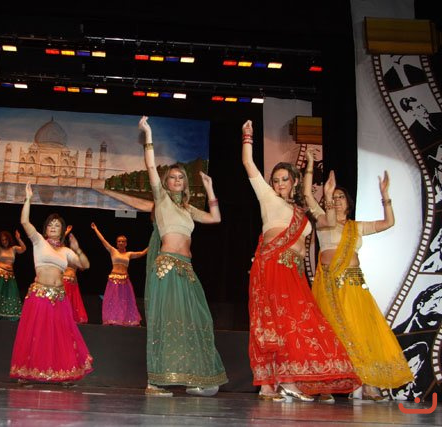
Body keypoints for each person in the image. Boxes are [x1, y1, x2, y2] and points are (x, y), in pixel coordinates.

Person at [241, 120, 361, 402]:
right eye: (276, 180)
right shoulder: (268, 198)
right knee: (277, 324)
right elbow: (248, 164)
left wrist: (327, 194)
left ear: (294, 182)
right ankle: (272, 384)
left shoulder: (302, 214)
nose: (279, 184)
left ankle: (289, 379)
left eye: (284, 179)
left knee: (299, 324)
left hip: (294, 273)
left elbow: (326, 223)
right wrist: (247, 136)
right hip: (273, 266)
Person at [304, 152, 413, 400]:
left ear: (349, 203)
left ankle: (369, 383)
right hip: (329, 285)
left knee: (360, 332)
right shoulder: (323, 218)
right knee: (330, 333)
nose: (337, 200)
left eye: (341, 197)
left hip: (353, 284)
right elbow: (308, 195)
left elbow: (388, 223)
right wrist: (311, 167)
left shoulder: (356, 227)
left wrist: (385, 195)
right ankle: (326, 385)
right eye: (334, 197)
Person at [139, 116, 227, 397]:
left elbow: (215, 218)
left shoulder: (189, 209)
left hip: (186, 269)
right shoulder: (162, 200)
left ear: (185, 183)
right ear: (166, 182)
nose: (177, 180)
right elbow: (150, 166)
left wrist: (210, 189)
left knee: (197, 320)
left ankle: (194, 377)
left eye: (181, 177)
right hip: (166, 267)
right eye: (173, 177)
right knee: (165, 322)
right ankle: (155, 382)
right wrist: (148, 135)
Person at [10, 183, 93, 383]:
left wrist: (77, 249)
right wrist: (28, 199)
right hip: (40, 295)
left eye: (57, 225)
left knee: (61, 336)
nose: (53, 227)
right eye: (50, 225)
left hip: (60, 298)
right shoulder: (39, 241)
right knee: (36, 334)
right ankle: (27, 373)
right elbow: (24, 221)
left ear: (62, 230)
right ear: (46, 229)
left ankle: (64, 372)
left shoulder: (66, 251)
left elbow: (85, 265)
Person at [91, 223, 146, 326]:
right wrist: (95, 229)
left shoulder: (129, 254)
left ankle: (125, 320)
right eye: (119, 241)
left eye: (123, 241)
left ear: (126, 243)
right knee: (113, 300)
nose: (121, 243)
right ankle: (112, 319)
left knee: (125, 300)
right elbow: (103, 240)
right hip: (113, 279)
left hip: (125, 280)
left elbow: (142, 253)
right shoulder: (113, 251)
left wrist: (153, 244)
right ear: (116, 243)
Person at [62, 225, 89, 324]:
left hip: (73, 281)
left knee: (72, 301)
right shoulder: (65, 252)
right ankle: (63, 317)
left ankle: (70, 318)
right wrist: (66, 232)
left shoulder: (78, 257)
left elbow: (83, 267)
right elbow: (58, 242)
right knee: (64, 299)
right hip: (64, 280)